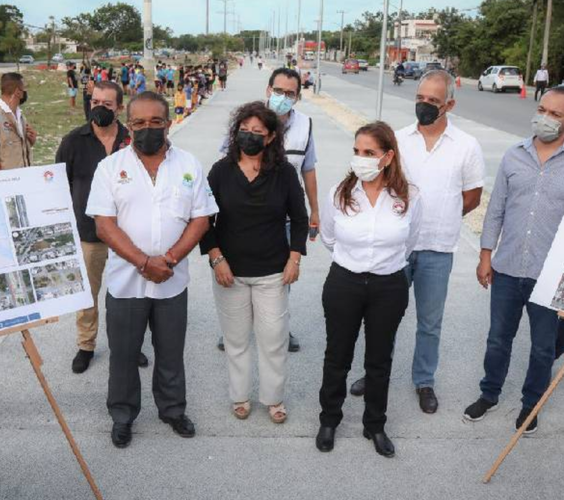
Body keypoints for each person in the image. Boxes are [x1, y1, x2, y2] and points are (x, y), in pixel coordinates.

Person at [86, 91, 218, 448]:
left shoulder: (189, 164)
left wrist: (169, 260)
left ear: (169, 122)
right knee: (124, 356)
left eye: (156, 122)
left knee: (171, 353)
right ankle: (123, 415)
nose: (148, 129)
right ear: (129, 125)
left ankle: (173, 410)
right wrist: (144, 263)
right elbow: (104, 225)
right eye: (140, 123)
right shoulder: (110, 168)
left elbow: (201, 218)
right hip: (126, 283)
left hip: (172, 283)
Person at [348, 70, 486, 414]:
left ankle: (424, 381)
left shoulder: (466, 146)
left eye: (433, 101)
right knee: (384, 317)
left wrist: (443, 216)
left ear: (449, 104)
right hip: (397, 248)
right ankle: (374, 373)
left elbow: (471, 197)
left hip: (438, 248)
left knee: (430, 321)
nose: (424, 105)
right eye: (420, 98)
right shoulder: (398, 140)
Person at [315, 121, 422, 458]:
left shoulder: (410, 196)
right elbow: (329, 238)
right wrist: (356, 262)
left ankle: (374, 424)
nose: (360, 159)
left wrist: (379, 265)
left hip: (389, 285)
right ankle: (329, 419)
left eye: (369, 153)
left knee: (379, 360)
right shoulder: (339, 192)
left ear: (388, 156)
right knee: (337, 357)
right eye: (356, 151)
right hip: (344, 282)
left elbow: (410, 242)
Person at [463, 87, 564, 433]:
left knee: (542, 348)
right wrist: (485, 255)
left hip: (551, 276)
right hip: (506, 268)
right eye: (543, 109)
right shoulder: (513, 156)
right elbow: (496, 211)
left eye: (556, 115)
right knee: (497, 339)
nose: (546, 118)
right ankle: (489, 394)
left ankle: (530, 405)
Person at [201, 102, 308, 424]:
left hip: (273, 272)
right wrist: (216, 258)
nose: (249, 137)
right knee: (235, 341)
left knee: (273, 339)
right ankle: (240, 396)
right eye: (243, 131)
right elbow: (203, 219)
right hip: (229, 273)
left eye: (257, 132)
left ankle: (273, 399)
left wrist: (294, 259)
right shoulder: (221, 171)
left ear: (272, 137)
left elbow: (300, 220)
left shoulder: (285, 173)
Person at [216, 67, 319, 353]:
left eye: (289, 93)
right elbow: (225, 162)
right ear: (267, 89)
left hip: (284, 214)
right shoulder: (248, 121)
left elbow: (309, 170)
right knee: (237, 272)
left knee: (282, 276)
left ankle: (278, 328)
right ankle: (235, 330)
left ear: (297, 97)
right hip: (243, 213)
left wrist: (314, 211)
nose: (282, 96)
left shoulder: (306, 125)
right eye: (278, 90)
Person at [56, 81, 148, 374]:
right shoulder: (73, 141)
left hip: (129, 231)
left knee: (130, 293)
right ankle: (86, 345)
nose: (99, 108)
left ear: (119, 108)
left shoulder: (133, 140)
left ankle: (130, 345)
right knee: (88, 293)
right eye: (95, 101)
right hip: (89, 231)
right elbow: (60, 185)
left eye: (107, 104)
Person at [0, 72, 37, 171]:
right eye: (23, 89)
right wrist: (1, 183)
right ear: (18, 92)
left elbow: (13, 149)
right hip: (8, 183)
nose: (25, 92)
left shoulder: (20, 116)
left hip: (23, 179)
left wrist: (30, 141)